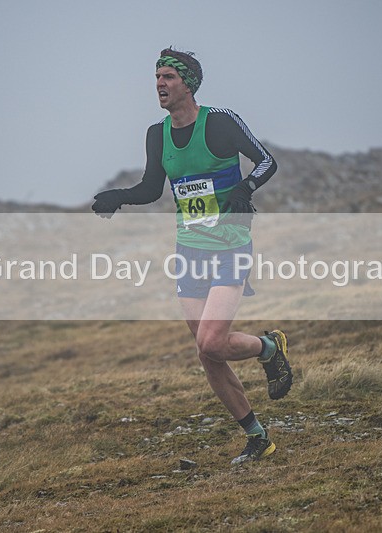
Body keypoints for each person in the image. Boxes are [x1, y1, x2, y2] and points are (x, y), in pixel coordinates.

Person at [92, 47, 292, 464]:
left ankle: (269, 347)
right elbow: (152, 188)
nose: (160, 84)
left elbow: (267, 161)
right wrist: (119, 197)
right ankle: (257, 436)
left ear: (189, 83)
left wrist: (244, 188)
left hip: (231, 242)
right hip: (189, 249)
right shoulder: (157, 134)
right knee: (206, 353)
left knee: (213, 340)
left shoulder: (219, 122)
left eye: (168, 77)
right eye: (156, 78)